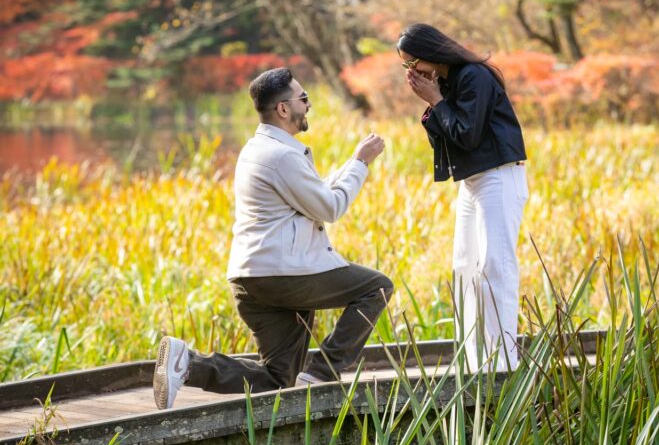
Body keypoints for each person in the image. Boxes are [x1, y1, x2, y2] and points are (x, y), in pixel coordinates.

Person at [153, 67, 393, 409]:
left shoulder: (260, 149)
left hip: (252, 280)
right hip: (282, 276)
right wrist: (362, 163)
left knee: (277, 378)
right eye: (304, 98)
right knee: (377, 287)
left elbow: (315, 196)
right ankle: (325, 372)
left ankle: (188, 365)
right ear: (283, 109)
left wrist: (353, 162)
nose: (308, 105)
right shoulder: (281, 156)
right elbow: (330, 207)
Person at [396, 23, 527, 370]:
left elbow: (467, 135)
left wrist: (436, 101)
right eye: (406, 67)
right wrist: (434, 102)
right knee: (465, 268)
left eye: (412, 63)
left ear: (430, 53)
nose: (411, 72)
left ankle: (503, 362)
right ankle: (475, 360)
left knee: (493, 267)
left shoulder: (474, 76)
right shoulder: (449, 82)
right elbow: (448, 139)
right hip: (472, 181)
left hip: (499, 175)